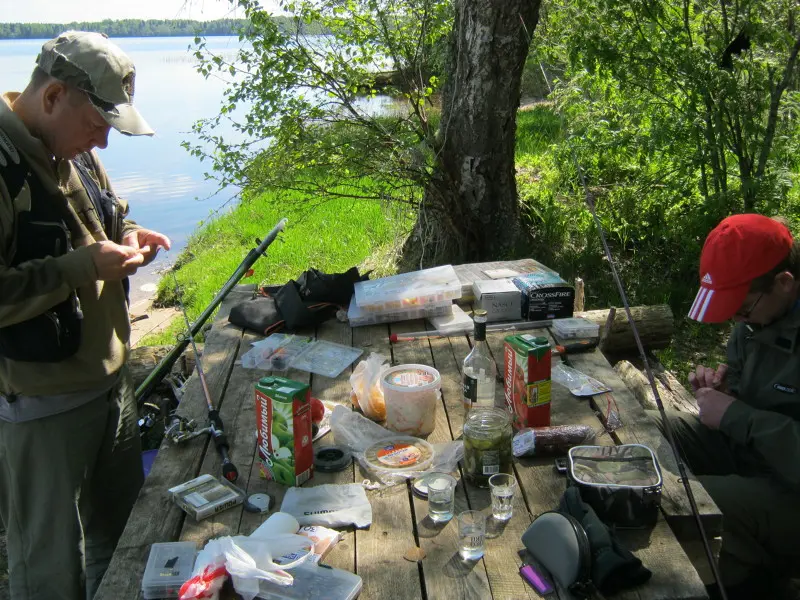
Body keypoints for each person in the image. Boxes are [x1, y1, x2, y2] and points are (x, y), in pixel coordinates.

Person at [0, 31, 171, 600]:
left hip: (110, 390)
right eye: (98, 121)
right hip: (41, 408)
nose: (104, 139)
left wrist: (128, 235)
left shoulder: (74, 152)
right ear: (53, 98)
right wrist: (79, 268)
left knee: (121, 543)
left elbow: (104, 221)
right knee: (50, 571)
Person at [658, 214, 800, 600]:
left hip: (789, 487)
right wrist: (727, 392)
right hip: (754, 453)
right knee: (649, 430)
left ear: (784, 283)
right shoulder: (758, 316)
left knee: (685, 500)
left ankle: (753, 581)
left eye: (741, 309)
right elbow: (748, 385)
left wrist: (738, 416)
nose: (738, 320)